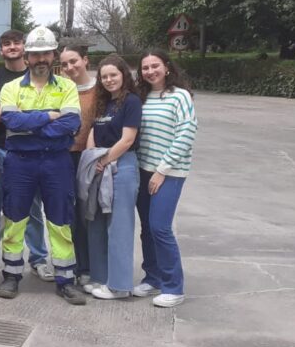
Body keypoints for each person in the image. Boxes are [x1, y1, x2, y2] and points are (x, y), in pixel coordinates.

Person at [0, 26, 85, 305]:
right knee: (15, 218)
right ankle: (11, 274)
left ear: (53, 54)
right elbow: (12, 122)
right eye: (35, 54)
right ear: (27, 55)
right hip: (20, 163)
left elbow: (72, 123)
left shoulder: (68, 86)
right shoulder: (11, 88)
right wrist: (49, 116)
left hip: (55, 162)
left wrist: (32, 126)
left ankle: (65, 279)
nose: (40, 59)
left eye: (46, 53)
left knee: (60, 220)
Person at [0, 30, 50, 276]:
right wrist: (25, 113)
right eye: (6, 44)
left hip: (32, 151)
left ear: (25, 48)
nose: (12, 47)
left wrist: (9, 113)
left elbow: (47, 112)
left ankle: (39, 258)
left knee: (31, 209)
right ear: (1, 50)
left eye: (16, 43)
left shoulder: (38, 75)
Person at [135, 49, 197, 307]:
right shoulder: (142, 97)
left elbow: (186, 133)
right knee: (147, 229)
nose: (150, 71)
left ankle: (174, 286)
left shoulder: (179, 96)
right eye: (145, 67)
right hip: (143, 169)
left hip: (169, 172)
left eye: (155, 66)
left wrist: (162, 170)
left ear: (167, 67)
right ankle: (153, 278)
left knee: (160, 227)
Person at [83, 54, 141, 299]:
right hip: (100, 164)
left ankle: (119, 286)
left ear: (124, 75)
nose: (108, 80)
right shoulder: (103, 102)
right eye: (104, 76)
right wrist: (91, 159)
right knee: (95, 221)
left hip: (122, 166)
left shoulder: (131, 102)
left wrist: (105, 161)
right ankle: (100, 277)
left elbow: (127, 139)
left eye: (113, 75)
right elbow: (93, 131)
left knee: (119, 226)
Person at [60, 43, 97, 285]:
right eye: (64, 64)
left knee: (89, 214)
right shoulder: (62, 89)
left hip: (91, 158)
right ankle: (73, 266)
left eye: (74, 61)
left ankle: (90, 268)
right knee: (68, 214)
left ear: (85, 60)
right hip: (65, 156)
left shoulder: (100, 89)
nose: (70, 67)